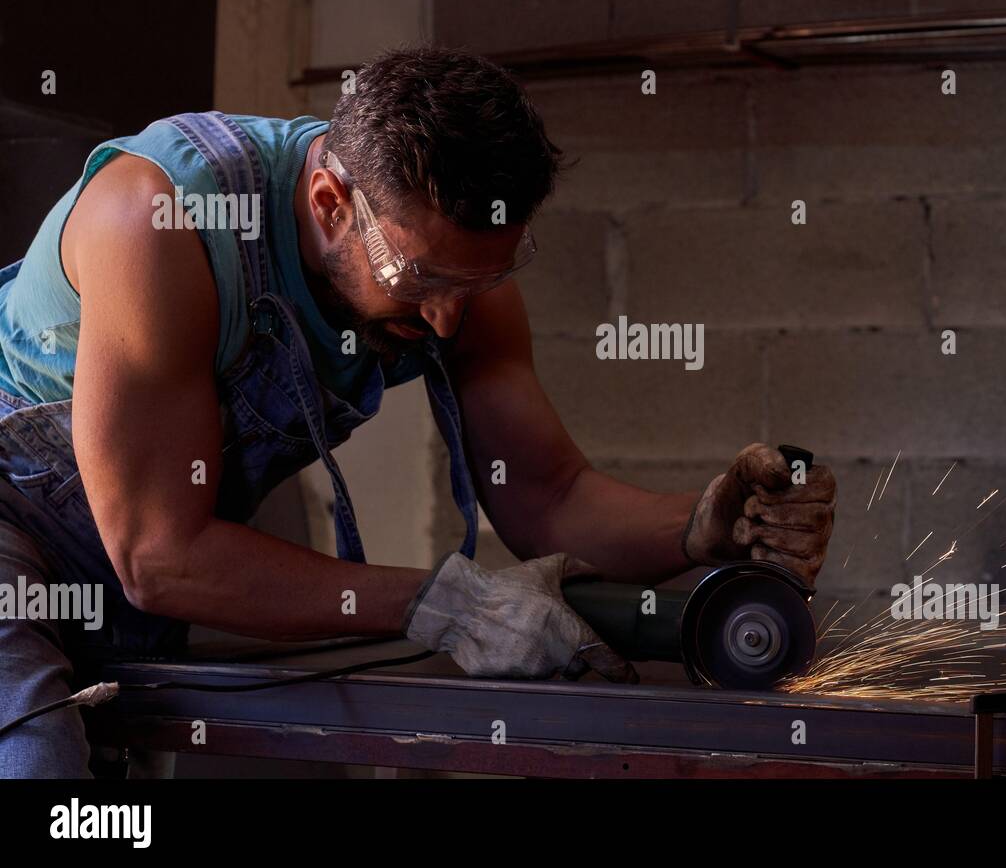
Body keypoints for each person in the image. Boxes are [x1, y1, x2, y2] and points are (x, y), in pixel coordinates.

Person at [0, 46, 836, 777]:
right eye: (422, 280)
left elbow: (546, 498)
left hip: (125, 580)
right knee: (37, 761)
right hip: (22, 527)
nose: (445, 318)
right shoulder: (161, 217)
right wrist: (446, 603)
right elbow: (159, 553)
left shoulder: (460, 287)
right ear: (330, 202)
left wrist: (696, 527)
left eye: (473, 283)